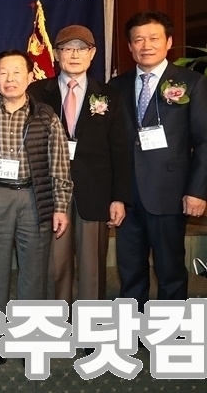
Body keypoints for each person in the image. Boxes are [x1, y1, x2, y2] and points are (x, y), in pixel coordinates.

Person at [109, 11, 207, 304]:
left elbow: (205, 142)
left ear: (168, 42)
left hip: (170, 193)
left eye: (154, 38)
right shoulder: (116, 86)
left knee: (170, 271)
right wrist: (114, 193)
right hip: (127, 196)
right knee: (129, 270)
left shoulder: (192, 83)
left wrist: (197, 191)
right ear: (129, 46)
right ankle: (131, 326)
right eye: (138, 40)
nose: (146, 45)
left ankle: (169, 328)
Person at [27, 25, 130, 308]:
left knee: (92, 268)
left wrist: (119, 197)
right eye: (67, 48)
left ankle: (90, 324)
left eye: (81, 48)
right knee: (55, 266)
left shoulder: (109, 95)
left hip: (95, 192)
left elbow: (120, 150)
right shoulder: (37, 92)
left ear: (92, 53)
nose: (74, 55)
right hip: (50, 192)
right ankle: (57, 321)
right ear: (56, 54)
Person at [0, 50, 73, 328]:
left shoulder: (45, 115)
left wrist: (61, 207)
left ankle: (27, 333)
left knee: (34, 273)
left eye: (17, 72)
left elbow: (59, 164)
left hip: (34, 199)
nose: (10, 79)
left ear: (30, 76)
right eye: (3, 72)